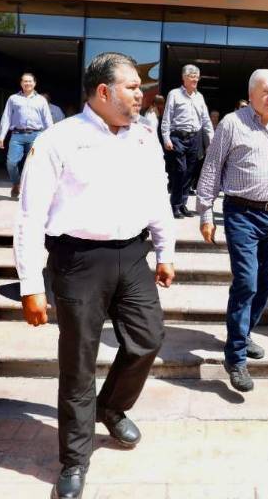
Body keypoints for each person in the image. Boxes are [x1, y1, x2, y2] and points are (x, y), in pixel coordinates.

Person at [13, 52, 176, 499]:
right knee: (79, 363)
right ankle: (74, 461)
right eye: (131, 87)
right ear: (103, 92)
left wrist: (165, 250)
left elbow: (158, 198)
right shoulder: (59, 140)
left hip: (131, 256)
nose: (141, 93)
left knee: (148, 338)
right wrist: (30, 285)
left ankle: (112, 407)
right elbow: (30, 216)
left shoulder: (144, 139)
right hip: (77, 261)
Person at [197, 69, 268, 392]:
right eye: (266, 92)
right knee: (246, 281)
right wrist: (206, 213)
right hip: (241, 212)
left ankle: (242, 332)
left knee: (267, 281)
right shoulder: (232, 123)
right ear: (252, 94)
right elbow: (212, 167)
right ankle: (236, 357)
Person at [161, 64, 214, 218]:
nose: (195, 79)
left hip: (194, 138)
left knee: (189, 173)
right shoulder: (174, 94)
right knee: (180, 171)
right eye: (192, 77)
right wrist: (166, 137)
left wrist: (211, 141)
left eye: (197, 77)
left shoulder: (200, 97)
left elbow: (206, 120)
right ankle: (175, 205)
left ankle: (183, 204)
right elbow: (167, 118)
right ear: (184, 78)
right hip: (177, 137)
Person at [0, 73, 55, 200]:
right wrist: (2, 136)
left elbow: (47, 120)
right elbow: (6, 117)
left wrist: (51, 138)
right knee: (11, 162)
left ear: (34, 83)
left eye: (30, 81)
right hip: (17, 135)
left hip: (36, 135)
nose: (27, 83)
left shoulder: (41, 100)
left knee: (33, 164)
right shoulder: (13, 99)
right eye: (25, 81)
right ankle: (16, 183)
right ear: (21, 83)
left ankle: (29, 191)